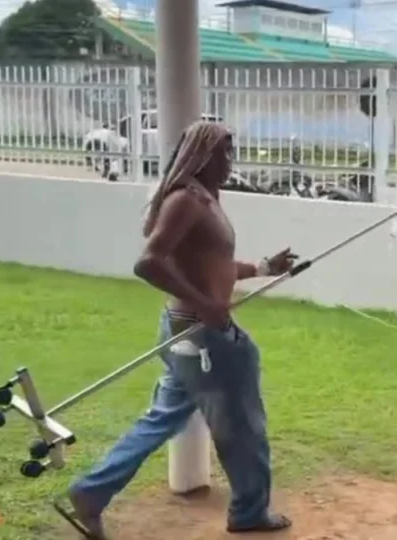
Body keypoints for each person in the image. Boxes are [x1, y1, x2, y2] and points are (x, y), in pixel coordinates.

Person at [67, 120, 295, 539]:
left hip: (184, 333)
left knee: (159, 421)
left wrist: (264, 268)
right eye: (225, 151)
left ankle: (90, 491)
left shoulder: (204, 199)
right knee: (243, 428)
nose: (231, 159)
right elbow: (149, 262)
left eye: (232, 149)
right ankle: (249, 512)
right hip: (203, 337)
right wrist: (208, 305)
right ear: (202, 155)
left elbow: (213, 264)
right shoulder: (187, 200)